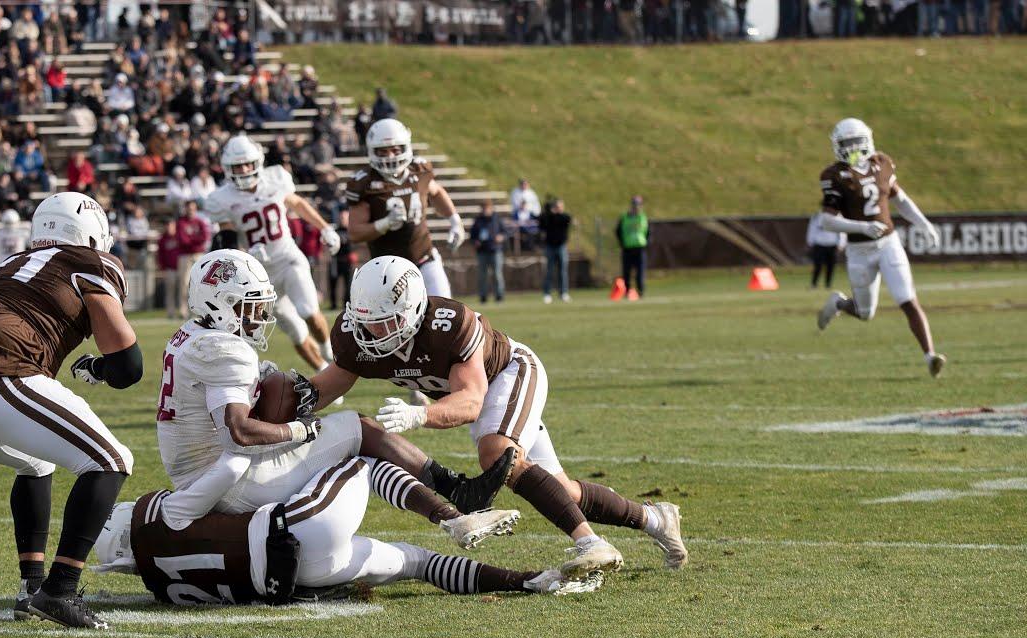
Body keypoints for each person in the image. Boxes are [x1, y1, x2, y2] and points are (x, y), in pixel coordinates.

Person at [310, 257, 689, 577]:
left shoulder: (448, 324)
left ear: (411, 313)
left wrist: (419, 415)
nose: (371, 332)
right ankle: (656, 519)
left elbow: (473, 400)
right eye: (365, 320)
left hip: (508, 373)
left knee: (497, 453)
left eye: (384, 321)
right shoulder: (357, 335)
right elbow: (328, 385)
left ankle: (592, 544)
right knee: (561, 490)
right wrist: (280, 406)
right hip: (487, 396)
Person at [155, 249, 519, 554]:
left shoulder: (191, 335)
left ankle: (453, 516)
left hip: (204, 474)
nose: (258, 318)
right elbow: (237, 432)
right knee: (356, 428)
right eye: (249, 308)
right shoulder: (225, 348)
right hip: (226, 479)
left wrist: (272, 388)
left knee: (360, 453)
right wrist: (296, 430)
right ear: (222, 305)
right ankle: (455, 491)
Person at [0, 192, 142, 629]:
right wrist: (98, 368)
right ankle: (59, 591)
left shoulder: (6, 264)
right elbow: (128, 367)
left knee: (36, 464)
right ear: (92, 233)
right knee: (111, 460)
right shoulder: (94, 263)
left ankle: (31, 587)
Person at [90, 459, 606, 606]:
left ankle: (530, 582)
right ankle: (454, 516)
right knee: (362, 459)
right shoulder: (156, 516)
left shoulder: (160, 588)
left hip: (298, 582)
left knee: (415, 563)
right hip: (297, 530)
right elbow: (227, 469)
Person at [816, 118, 946, 378]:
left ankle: (930, 355)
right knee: (865, 313)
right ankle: (840, 304)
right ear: (837, 146)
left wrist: (924, 223)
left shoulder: (882, 163)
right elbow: (826, 221)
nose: (852, 148)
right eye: (847, 144)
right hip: (859, 252)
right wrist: (862, 228)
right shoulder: (834, 175)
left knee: (907, 299)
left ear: (868, 141)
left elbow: (901, 199)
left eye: (856, 142)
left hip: (888, 244)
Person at [204, 136, 341, 373]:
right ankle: (323, 371)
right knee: (295, 332)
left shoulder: (275, 178)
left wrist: (325, 228)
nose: (244, 170)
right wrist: (243, 255)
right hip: (260, 274)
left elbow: (297, 204)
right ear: (228, 168)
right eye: (238, 166)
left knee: (308, 310)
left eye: (248, 163)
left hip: (288, 259)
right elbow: (227, 237)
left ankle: (328, 348)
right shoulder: (222, 198)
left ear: (257, 161)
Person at [346, 119, 465, 304]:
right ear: (372, 151)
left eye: (395, 149)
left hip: (425, 259)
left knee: (443, 311)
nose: (391, 155)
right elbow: (354, 232)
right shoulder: (365, 183)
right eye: (383, 151)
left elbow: (436, 192)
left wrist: (454, 220)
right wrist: (383, 224)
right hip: (386, 272)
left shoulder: (419, 170)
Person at [471, 200, 507, 304]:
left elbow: (505, 232)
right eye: (483, 208)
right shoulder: (478, 220)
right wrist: (475, 241)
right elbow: (472, 235)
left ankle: (499, 296)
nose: (485, 210)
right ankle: (483, 297)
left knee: (497, 274)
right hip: (482, 251)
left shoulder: (497, 219)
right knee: (482, 275)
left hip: (495, 250)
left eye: (487, 208)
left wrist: (501, 237)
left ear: (491, 208)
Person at [615, 196, 649, 300]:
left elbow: (648, 232)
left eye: (638, 204)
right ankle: (627, 292)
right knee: (626, 273)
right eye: (635, 204)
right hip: (628, 248)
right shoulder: (625, 217)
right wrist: (622, 243)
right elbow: (618, 231)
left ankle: (641, 292)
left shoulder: (643, 217)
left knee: (640, 273)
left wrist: (647, 242)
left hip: (640, 248)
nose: (636, 206)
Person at [539, 199, 571, 304]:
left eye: (560, 206)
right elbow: (542, 223)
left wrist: (554, 214)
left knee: (563, 271)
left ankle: (563, 293)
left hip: (561, 247)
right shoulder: (548, 217)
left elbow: (564, 220)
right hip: (550, 247)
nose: (558, 208)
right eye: (556, 206)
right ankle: (547, 293)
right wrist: (549, 212)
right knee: (549, 271)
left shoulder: (564, 217)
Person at [806, 211, 845, 290]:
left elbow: (842, 230)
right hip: (819, 244)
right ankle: (814, 284)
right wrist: (810, 242)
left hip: (832, 245)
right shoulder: (817, 216)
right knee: (818, 265)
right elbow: (812, 229)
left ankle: (828, 284)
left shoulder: (838, 216)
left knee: (831, 266)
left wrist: (841, 244)